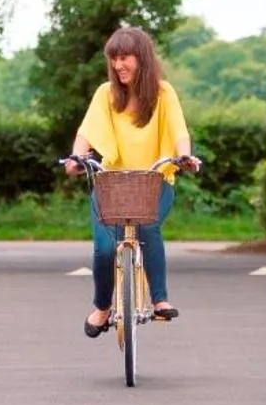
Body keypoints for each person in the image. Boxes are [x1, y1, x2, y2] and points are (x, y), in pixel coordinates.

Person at [65, 25, 200, 338]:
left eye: (124, 58)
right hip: (111, 185)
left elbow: (179, 131)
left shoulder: (163, 93)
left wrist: (184, 157)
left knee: (148, 226)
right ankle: (102, 307)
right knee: (103, 249)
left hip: (154, 182)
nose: (118, 66)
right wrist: (76, 157)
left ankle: (160, 300)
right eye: (113, 59)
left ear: (142, 58)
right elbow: (87, 132)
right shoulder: (106, 94)